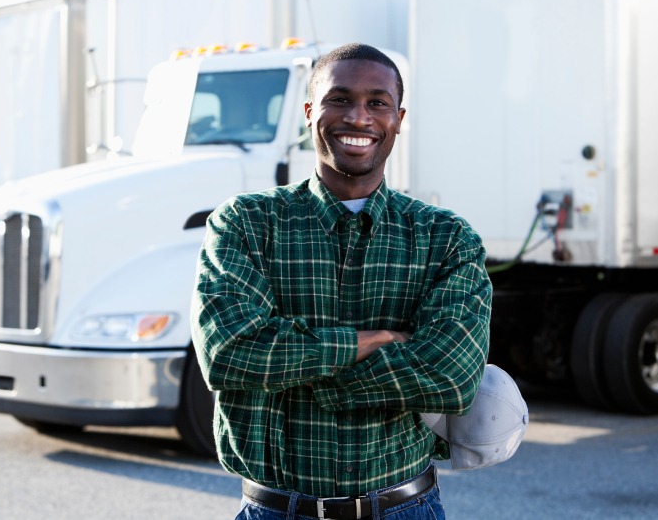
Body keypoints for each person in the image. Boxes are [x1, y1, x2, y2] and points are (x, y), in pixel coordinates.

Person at [190, 43, 492, 520]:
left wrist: (302, 375)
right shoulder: (246, 222)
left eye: (377, 102)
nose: (358, 117)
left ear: (399, 118)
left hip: (403, 508)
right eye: (339, 99)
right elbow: (227, 355)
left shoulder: (445, 238)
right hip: (275, 510)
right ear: (310, 111)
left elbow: (452, 378)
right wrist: (373, 342)